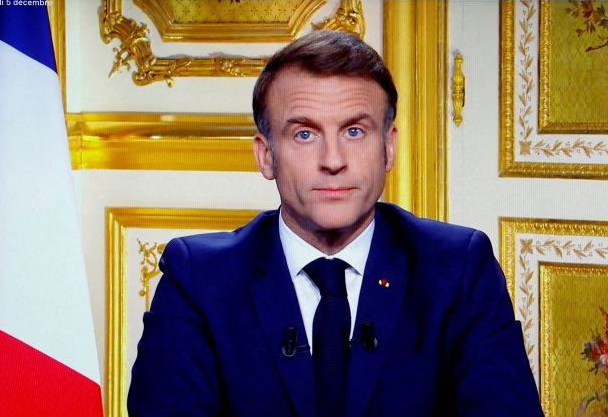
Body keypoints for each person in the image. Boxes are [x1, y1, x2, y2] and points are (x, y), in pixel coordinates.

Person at [128, 30, 542, 415]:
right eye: (304, 134)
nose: (333, 161)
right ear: (266, 155)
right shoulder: (197, 279)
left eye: (355, 131)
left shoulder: (458, 269)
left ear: (389, 147)